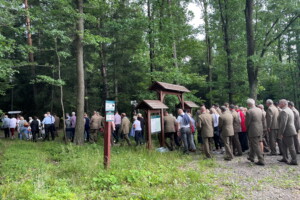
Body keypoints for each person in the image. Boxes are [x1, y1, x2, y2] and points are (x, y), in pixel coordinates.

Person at [278, 99, 298, 165]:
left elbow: (283, 124)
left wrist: (281, 133)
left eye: (280, 103)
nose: (279, 104)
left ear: (283, 104)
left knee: (291, 146)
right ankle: (285, 157)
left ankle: (294, 160)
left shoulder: (284, 111)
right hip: (290, 130)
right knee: (284, 145)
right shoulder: (289, 110)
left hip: (287, 131)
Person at [246, 98, 265, 166]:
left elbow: (247, 122)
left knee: (255, 145)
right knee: (253, 143)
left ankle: (261, 159)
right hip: (260, 128)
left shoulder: (249, 111)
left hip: (253, 129)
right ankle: (251, 157)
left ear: (248, 104)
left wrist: (247, 129)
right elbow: (263, 119)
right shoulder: (259, 109)